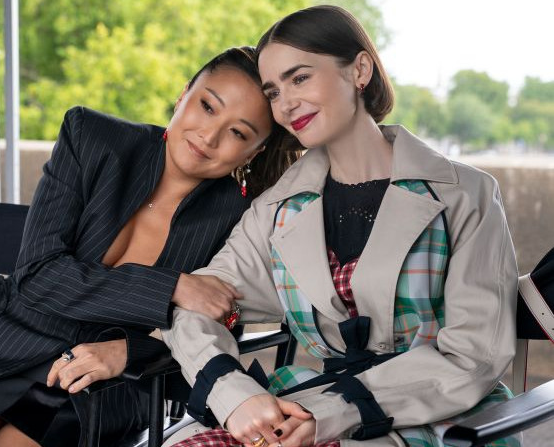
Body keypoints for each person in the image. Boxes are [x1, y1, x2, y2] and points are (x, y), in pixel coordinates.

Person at [162, 6, 519, 447]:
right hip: (306, 408)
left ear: (360, 71)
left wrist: (335, 411)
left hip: (437, 416)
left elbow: (475, 354)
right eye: (274, 92)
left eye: (299, 78)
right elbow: (197, 304)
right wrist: (234, 394)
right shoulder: (276, 208)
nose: (285, 104)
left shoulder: (465, 194)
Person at [0, 46, 298, 447]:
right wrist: (173, 287)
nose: (209, 136)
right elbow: (38, 275)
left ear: (255, 150)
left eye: (238, 133)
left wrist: (128, 352)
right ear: (184, 94)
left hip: (103, 383)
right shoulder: (91, 138)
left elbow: (214, 335)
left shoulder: (241, 217)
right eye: (207, 106)